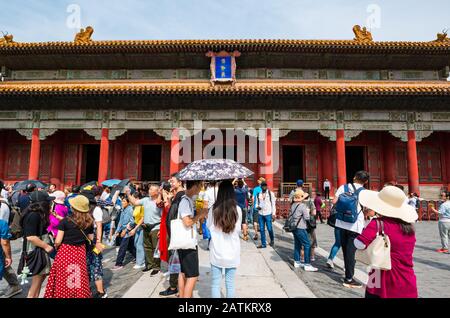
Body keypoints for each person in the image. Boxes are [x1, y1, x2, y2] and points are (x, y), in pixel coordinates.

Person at [356, 186, 418, 298]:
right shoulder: (409, 227)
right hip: (406, 278)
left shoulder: (378, 224)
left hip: (379, 275)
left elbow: (359, 244)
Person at [44, 195, 94, 298]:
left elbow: (58, 241)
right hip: (80, 252)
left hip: (66, 252)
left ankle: (66, 295)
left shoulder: (65, 221)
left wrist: (56, 246)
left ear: (73, 208)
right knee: (77, 278)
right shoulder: (89, 222)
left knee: (65, 278)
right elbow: (91, 238)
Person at [333, 170, 369, 289]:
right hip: (355, 225)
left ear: (354, 178)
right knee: (351, 253)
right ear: (366, 181)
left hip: (341, 222)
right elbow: (369, 210)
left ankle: (348, 274)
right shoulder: (364, 192)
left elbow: (334, 202)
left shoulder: (343, 187)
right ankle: (349, 278)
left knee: (345, 251)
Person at [207, 180, 242, 298]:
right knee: (230, 284)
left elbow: (208, 226)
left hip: (217, 250)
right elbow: (237, 230)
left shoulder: (213, 209)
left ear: (219, 192)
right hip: (232, 251)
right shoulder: (238, 210)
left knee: (215, 284)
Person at [20, 191, 55, 298]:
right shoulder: (33, 215)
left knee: (41, 276)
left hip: (39, 248)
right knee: (37, 279)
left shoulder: (37, 213)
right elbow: (30, 237)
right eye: (47, 201)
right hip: (36, 249)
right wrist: (47, 246)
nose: (50, 203)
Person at [177, 180, 208, 298]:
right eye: (200, 185)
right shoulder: (185, 201)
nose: (201, 188)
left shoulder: (188, 200)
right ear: (194, 186)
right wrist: (200, 215)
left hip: (185, 241)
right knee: (193, 275)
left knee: (184, 273)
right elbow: (187, 222)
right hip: (187, 243)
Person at [126, 184, 162, 275]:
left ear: (157, 192)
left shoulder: (160, 202)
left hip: (156, 226)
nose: (149, 191)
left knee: (155, 248)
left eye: (152, 189)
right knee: (147, 247)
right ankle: (149, 264)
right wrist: (128, 194)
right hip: (146, 226)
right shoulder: (146, 200)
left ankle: (156, 266)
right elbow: (135, 202)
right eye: (149, 189)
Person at [159, 173, 184, 297]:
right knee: (176, 261)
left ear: (180, 182)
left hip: (176, 234)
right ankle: (177, 285)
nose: (171, 183)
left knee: (175, 261)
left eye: (173, 181)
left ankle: (174, 286)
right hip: (174, 233)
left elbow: (174, 216)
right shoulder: (178, 196)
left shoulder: (180, 197)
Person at [82, 189, 107, 298]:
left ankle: (101, 291)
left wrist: (98, 241)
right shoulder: (83, 209)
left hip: (93, 238)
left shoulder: (96, 209)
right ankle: (86, 289)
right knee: (86, 264)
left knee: (96, 264)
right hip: (84, 238)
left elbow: (99, 226)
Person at [290, 190, 318, 272]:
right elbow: (307, 218)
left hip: (294, 227)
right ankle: (307, 264)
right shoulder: (302, 206)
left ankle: (297, 261)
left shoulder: (293, 205)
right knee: (307, 244)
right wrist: (308, 212)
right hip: (301, 227)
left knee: (297, 244)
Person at [113, 197, 136, 270]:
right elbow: (120, 221)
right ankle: (137, 257)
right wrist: (117, 231)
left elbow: (132, 222)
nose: (122, 203)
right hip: (122, 230)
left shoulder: (130, 209)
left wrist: (125, 230)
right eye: (122, 201)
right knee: (130, 247)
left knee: (122, 247)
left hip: (127, 231)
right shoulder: (123, 209)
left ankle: (118, 263)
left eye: (124, 201)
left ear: (128, 202)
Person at [255, 181, 276, 248]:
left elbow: (273, 204)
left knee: (269, 228)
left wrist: (273, 213)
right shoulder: (259, 194)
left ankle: (272, 239)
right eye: (263, 186)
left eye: (265, 186)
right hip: (261, 213)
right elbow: (256, 204)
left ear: (266, 186)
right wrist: (257, 207)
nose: (264, 187)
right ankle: (263, 244)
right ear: (261, 187)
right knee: (261, 229)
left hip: (268, 213)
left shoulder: (270, 194)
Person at [131, 192, 145, 269]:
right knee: (136, 243)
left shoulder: (142, 206)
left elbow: (142, 218)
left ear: (137, 198)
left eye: (132, 197)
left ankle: (141, 262)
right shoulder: (135, 206)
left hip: (141, 226)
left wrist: (135, 228)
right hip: (136, 226)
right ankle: (141, 259)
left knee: (139, 244)